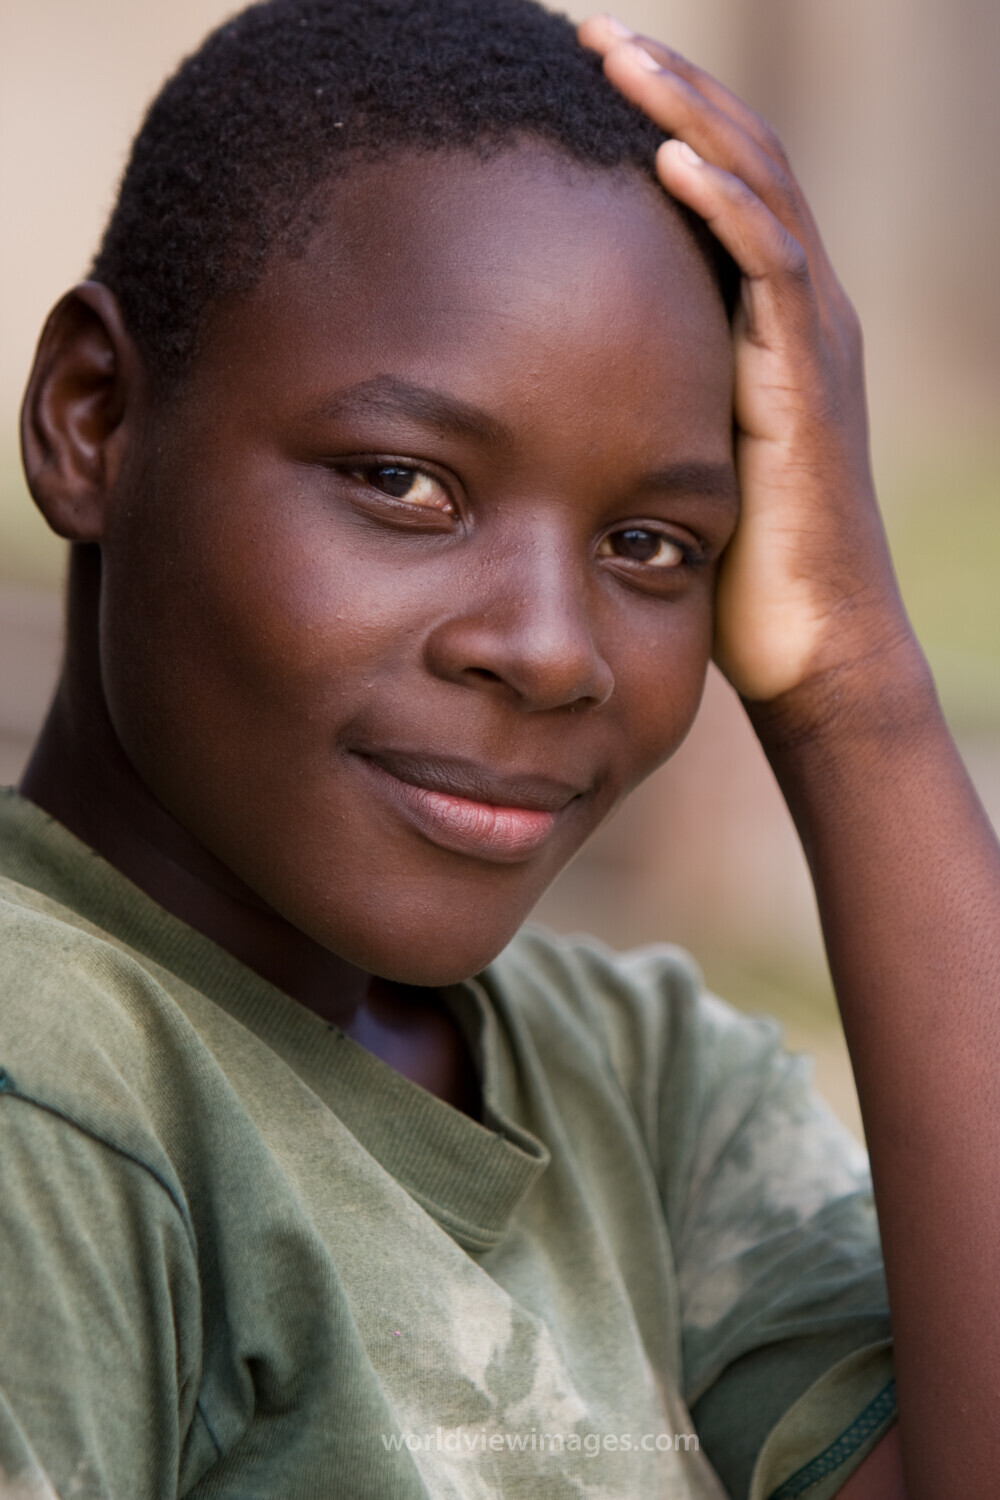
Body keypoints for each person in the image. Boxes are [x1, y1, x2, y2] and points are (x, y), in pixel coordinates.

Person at [2, 0, 997, 1495]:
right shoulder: (58, 1086)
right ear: (93, 419)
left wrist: (856, 691)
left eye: (653, 543)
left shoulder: (638, 1081)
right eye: (404, 481)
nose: (547, 648)